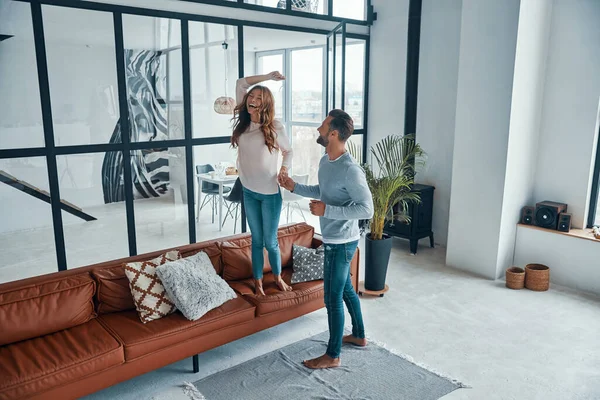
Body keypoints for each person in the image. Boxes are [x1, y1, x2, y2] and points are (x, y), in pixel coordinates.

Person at [279, 109, 374, 369]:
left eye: (322, 126)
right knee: (344, 290)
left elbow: (367, 209)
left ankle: (332, 355)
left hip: (341, 243)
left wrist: (327, 210)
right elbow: (323, 191)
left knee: (332, 298)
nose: (317, 129)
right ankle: (359, 335)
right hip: (333, 239)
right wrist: (294, 187)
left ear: (333, 134)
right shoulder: (326, 161)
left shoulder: (350, 170)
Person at [231, 72, 293, 296]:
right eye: (251, 96)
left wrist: (284, 168)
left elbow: (288, 151)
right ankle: (258, 281)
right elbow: (241, 83)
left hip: (269, 193)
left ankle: (277, 277)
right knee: (256, 240)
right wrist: (267, 77)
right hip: (248, 191)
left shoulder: (274, 127)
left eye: (258, 97)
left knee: (270, 241)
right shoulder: (244, 122)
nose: (252, 99)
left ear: (265, 104)